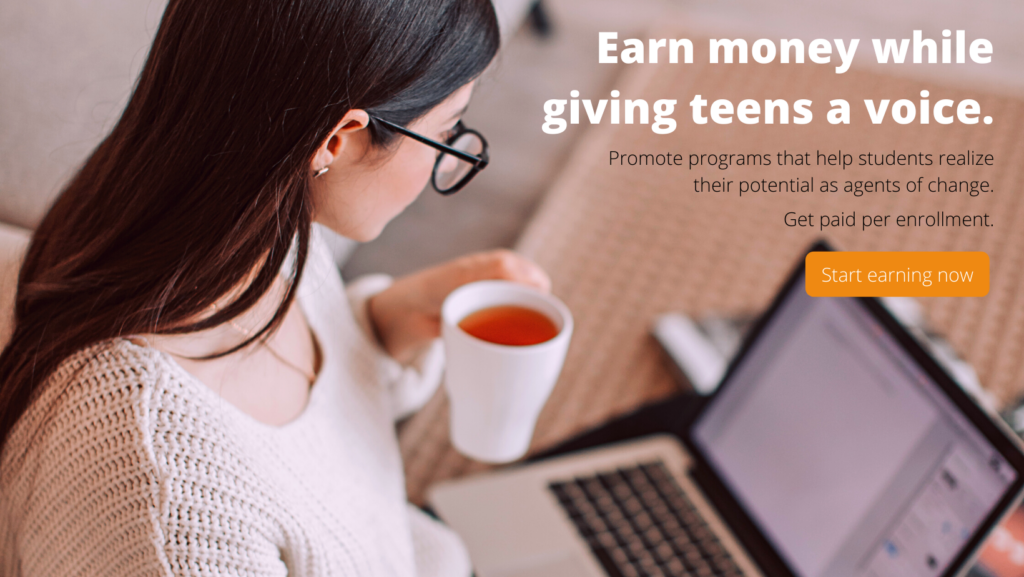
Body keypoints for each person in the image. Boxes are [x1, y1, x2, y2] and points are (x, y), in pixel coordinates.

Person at [0, 0, 551, 574]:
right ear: (340, 141)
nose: (451, 151)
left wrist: (390, 322)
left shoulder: (243, 219)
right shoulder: (168, 500)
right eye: (446, 132)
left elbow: (302, 428)